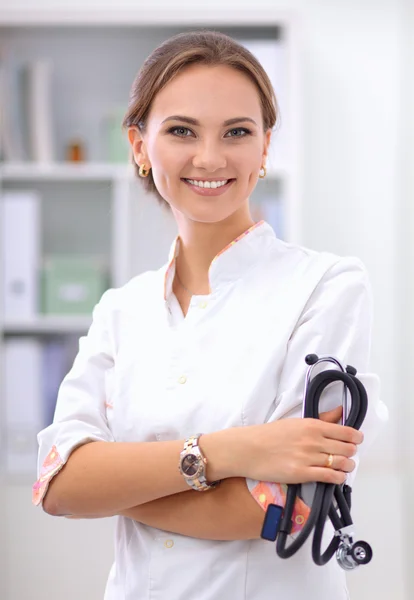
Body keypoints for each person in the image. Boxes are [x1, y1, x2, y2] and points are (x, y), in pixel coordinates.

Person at [32, 30, 387, 600]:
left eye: (238, 132)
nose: (211, 157)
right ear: (140, 147)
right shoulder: (120, 311)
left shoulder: (327, 286)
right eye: (181, 131)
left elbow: (281, 512)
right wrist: (227, 453)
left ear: (265, 147)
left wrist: (114, 484)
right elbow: (59, 488)